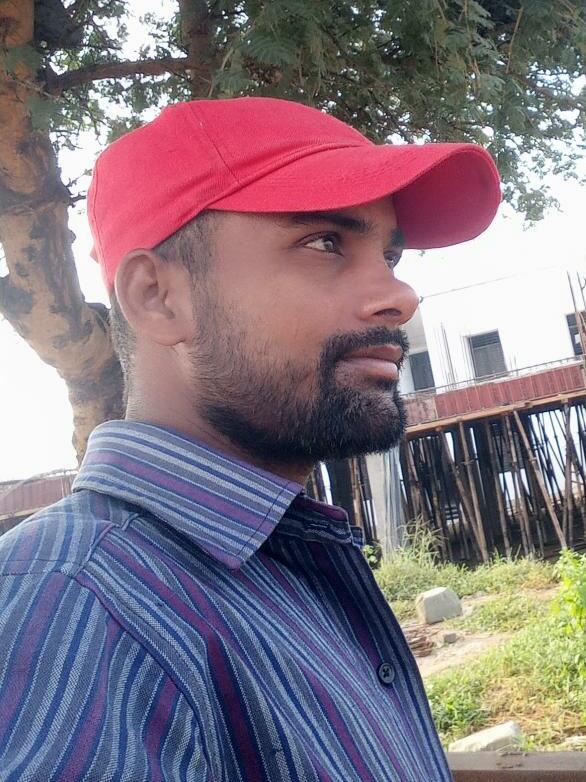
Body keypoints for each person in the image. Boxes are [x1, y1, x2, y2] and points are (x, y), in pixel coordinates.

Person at [0, 97, 500, 781]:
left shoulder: (278, 566)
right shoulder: (76, 605)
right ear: (156, 297)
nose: (401, 294)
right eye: (325, 242)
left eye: (389, 254)